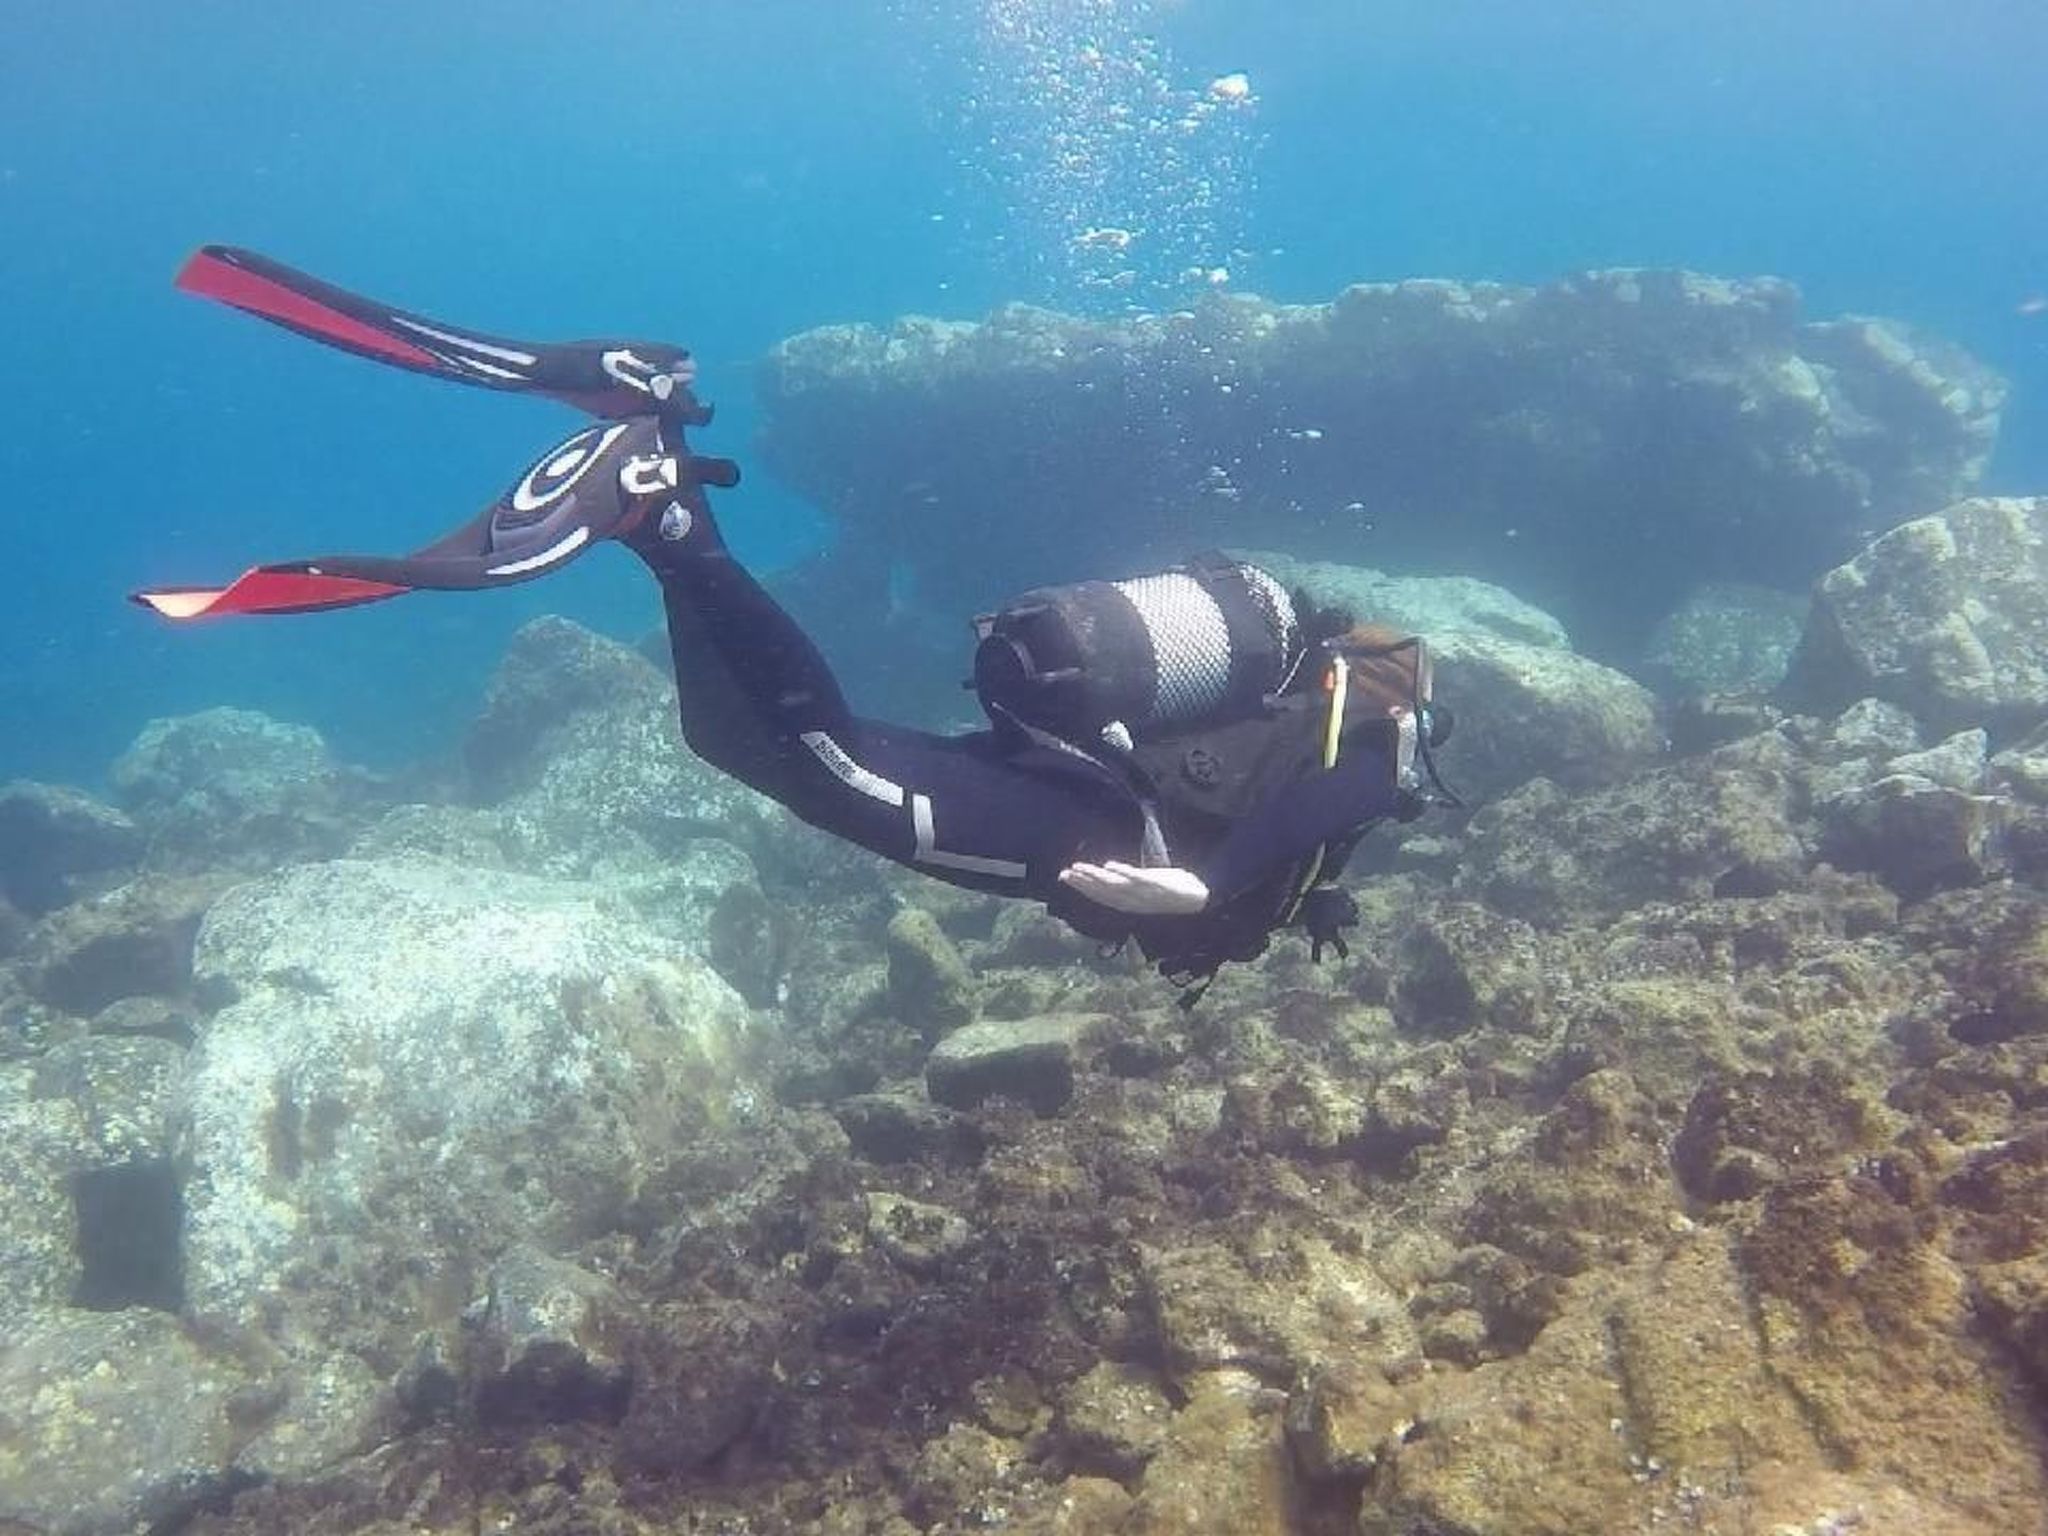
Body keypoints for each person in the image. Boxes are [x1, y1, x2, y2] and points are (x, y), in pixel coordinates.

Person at [136, 248, 1455, 1000]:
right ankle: (661, 510)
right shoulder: (1379, 740)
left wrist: (1285, 897)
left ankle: (657, 486)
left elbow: (1304, 816)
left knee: (741, 743)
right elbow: (1338, 793)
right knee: (824, 762)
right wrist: (1217, 886)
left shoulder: (1324, 706)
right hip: (1093, 828)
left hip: (1088, 786)